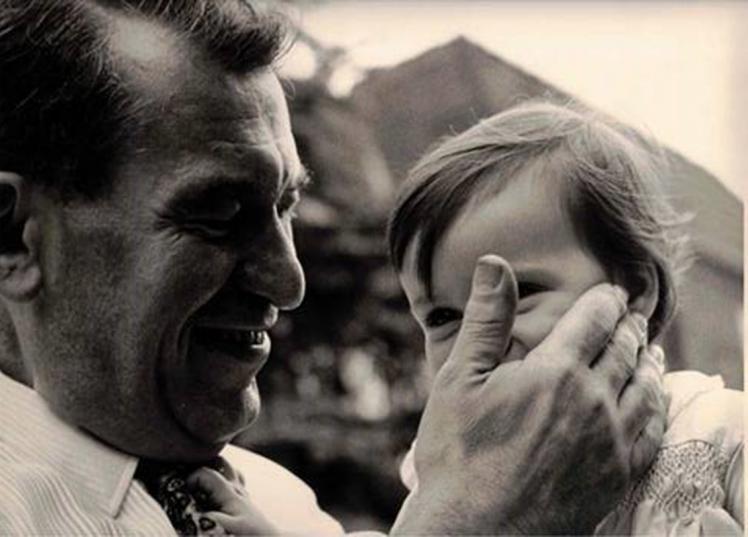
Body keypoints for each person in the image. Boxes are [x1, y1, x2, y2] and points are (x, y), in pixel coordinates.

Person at [0, 1, 667, 534]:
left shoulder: (281, 506)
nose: (289, 282)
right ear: (15, 237)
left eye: (286, 206)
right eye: (220, 213)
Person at [382, 101, 743, 534]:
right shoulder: (439, 472)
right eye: (441, 316)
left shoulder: (716, 428)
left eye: (523, 292)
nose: (477, 340)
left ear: (635, 289)